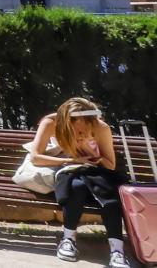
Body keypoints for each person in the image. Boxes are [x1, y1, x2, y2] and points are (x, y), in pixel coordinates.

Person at [25, 97, 128, 267]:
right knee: (76, 186)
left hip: (97, 173)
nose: (79, 132)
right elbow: (35, 158)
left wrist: (88, 148)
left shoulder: (100, 128)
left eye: (85, 128)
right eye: (76, 128)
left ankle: (117, 250)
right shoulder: (51, 123)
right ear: (66, 121)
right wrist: (70, 161)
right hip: (68, 171)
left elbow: (110, 165)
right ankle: (68, 239)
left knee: (108, 194)